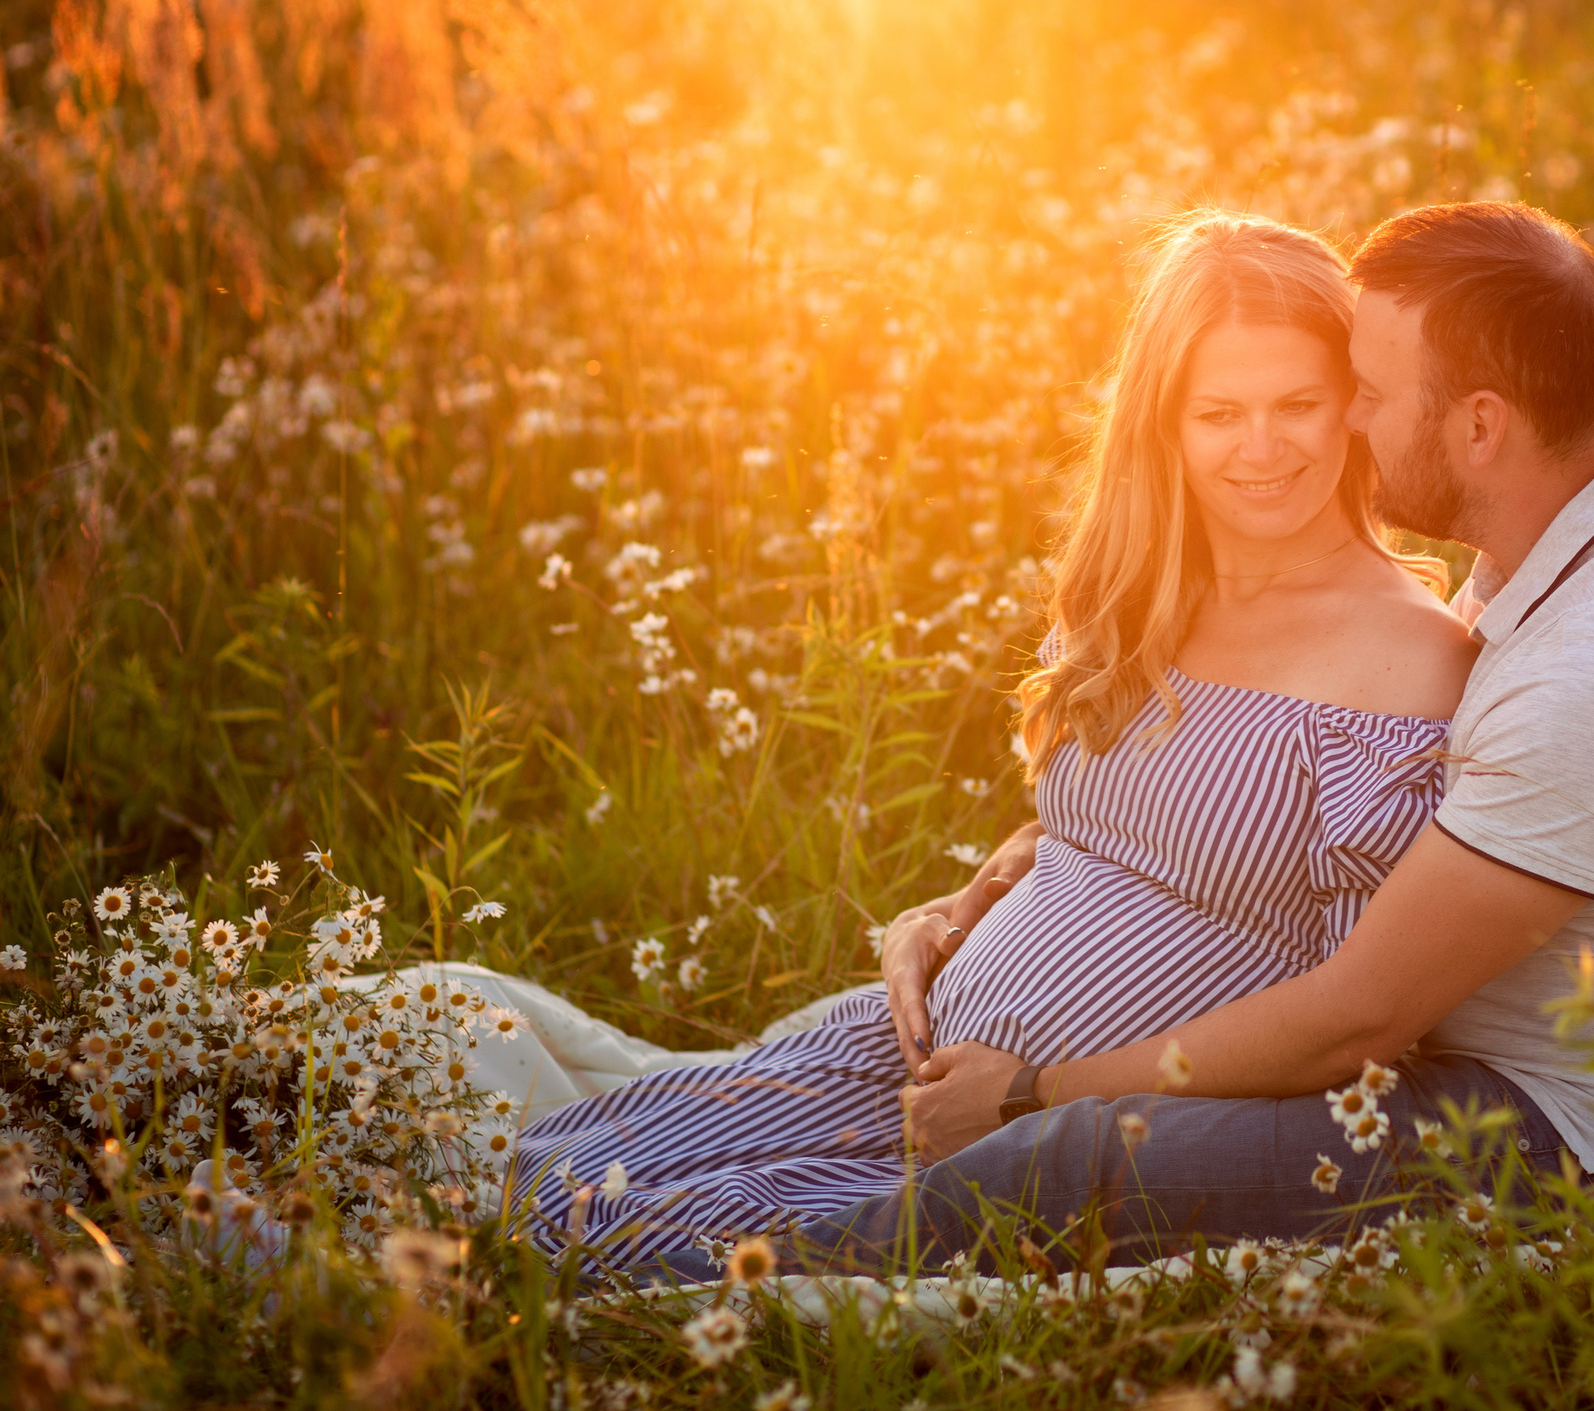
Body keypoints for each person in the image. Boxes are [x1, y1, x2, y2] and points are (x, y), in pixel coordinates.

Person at [821, 200, 1594, 1266]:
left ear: (1480, 426)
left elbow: (1359, 1017)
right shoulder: (1570, 534)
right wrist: (994, 890)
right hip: (1486, 1062)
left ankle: (687, 1293)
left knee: (1067, 1159)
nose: (1346, 423)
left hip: (1573, 1134)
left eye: (1369, 395)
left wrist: (1029, 1089)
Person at [505, 212, 1476, 1269]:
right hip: (914, 1057)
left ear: (1354, 406)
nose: (1260, 448)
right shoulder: (1139, 595)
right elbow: (1110, 833)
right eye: (1217, 412)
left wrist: (1026, 1097)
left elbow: (1348, 1016)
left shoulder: (1406, 660)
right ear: (1163, 425)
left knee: (603, 1248)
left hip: (1036, 1137)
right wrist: (959, 907)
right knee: (536, 1170)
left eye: (1298, 404)